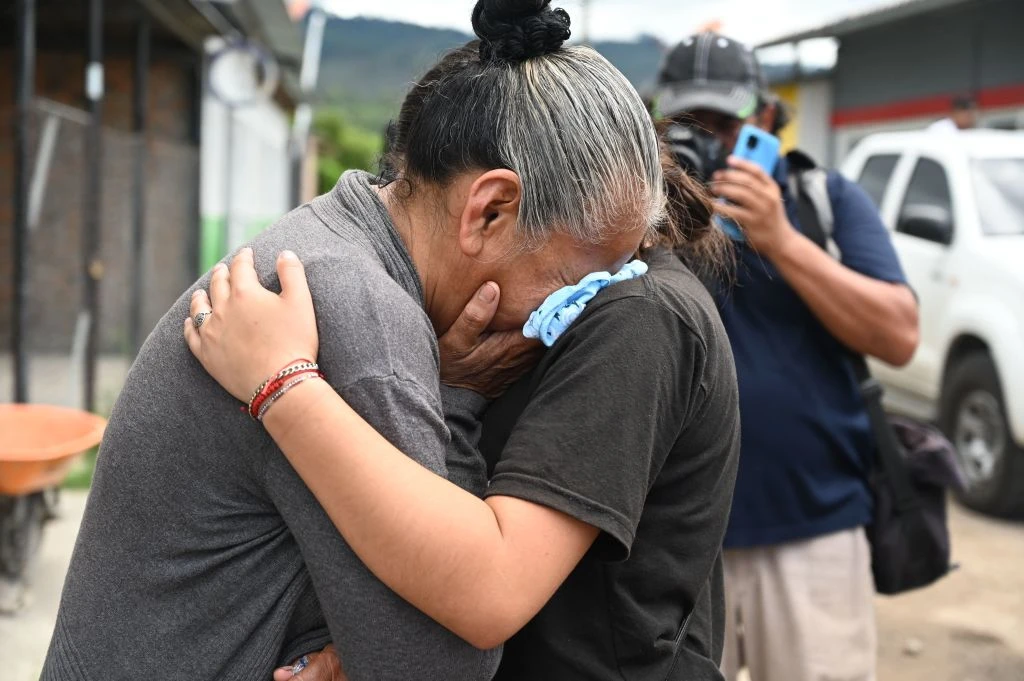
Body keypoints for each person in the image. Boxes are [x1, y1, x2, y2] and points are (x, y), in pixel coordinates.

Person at [41, 2, 668, 679]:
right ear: (489, 210)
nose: (572, 318)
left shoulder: (331, 241)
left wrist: (452, 388)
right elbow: (442, 667)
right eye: (574, 284)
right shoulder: (360, 325)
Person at [186, 144, 740, 681]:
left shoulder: (642, 322)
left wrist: (281, 384)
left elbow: (492, 589)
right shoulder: (593, 302)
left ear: (495, 209)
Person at [655, 33, 920, 681]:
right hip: (676, 538)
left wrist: (782, 241)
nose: (707, 142)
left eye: (725, 122)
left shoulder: (822, 201)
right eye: (687, 125)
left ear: (767, 119)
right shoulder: (640, 215)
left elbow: (899, 334)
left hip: (813, 529)